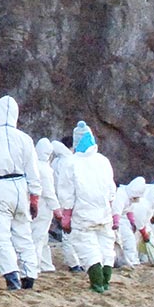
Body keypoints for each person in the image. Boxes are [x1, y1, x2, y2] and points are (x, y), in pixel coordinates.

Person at [0, 96, 39, 289]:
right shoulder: (25, 139)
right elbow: (33, 171)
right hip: (20, 186)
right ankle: (29, 275)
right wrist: (34, 197)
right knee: (23, 234)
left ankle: (12, 275)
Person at [57, 123, 118, 291]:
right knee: (106, 246)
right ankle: (106, 281)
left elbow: (67, 192)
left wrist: (66, 215)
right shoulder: (103, 161)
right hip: (104, 211)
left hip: (82, 213)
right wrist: (110, 207)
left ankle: (97, 283)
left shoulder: (71, 163)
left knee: (87, 247)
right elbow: (111, 189)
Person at [30, 136, 62, 278]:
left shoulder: (31, 165)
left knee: (41, 237)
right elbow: (49, 192)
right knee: (38, 237)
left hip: (33, 205)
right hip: (43, 207)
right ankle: (35, 265)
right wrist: (57, 209)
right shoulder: (44, 169)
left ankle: (45, 264)